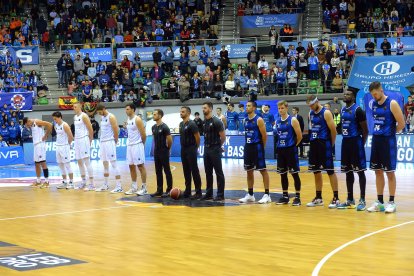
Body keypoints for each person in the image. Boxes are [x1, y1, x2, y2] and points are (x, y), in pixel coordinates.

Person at [367, 82, 405, 213]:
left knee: (389, 172)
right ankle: (380, 202)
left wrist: (391, 133)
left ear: (381, 90)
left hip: (388, 141)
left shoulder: (392, 103)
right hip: (376, 140)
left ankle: (392, 202)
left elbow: (401, 123)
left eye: (375, 94)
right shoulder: (373, 103)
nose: (374, 96)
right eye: (372, 95)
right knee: (377, 171)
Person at [336, 90, 368, 210]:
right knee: (348, 171)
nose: (345, 95)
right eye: (344, 94)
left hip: (356, 142)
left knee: (360, 172)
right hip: (346, 143)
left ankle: (363, 200)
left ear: (353, 97)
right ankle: (350, 199)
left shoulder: (358, 110)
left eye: (348, 94)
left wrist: (360, 143)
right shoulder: (343, 110)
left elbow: (365, 130)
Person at [306, 95, 340, 208]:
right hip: (314, 144)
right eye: (309, 105)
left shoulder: (326, 112)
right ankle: (318, 197)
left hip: (324, 144)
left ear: (317, 102)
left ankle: (336, 198)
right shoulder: (310, 113)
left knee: (330, 171)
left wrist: (331, 144)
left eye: (312, 105)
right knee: (316, 171)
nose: (310, 107)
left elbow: (333, 131)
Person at [239, 101, 271, 204]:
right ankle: (250, 195)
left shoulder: (259, 119)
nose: (246, 108)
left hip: (257, 147)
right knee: (249, 171)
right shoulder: (245, 120)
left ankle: (267, 195)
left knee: (263, 170)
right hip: (248, 147)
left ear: (254, 108)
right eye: (246, 106)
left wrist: (262, 147)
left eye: (248, 106)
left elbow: (264, 135)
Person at [274, 101, 303, 205]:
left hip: (290, 149)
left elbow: (299, 136)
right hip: (281, 150)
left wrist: (293, 146)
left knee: (294, 173)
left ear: (286, 108)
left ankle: (297, 197)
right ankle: (285, 196)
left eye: (282, 108)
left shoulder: (293, 120)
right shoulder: (277, 121)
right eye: (279, 108)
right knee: (283, 174)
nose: (280, 110)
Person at [202, 102, 226, 201]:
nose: (203, 110)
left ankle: (220, 194)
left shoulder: (217, 121)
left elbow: (223, 137)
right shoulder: (204, 121)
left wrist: (218, 146)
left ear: (210, 109)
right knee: (208, 172)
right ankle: (209, 193)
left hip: (215, 149)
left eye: (205, 108)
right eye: (203, 108)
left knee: (218, 172)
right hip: (206, 149)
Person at [95, 104, 122, 192]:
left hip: (110, 141)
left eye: (100, 112)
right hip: (103, 142)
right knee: (105, 164)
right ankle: (105, 184)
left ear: (103, 109)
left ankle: (119, 186)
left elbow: (116, 129)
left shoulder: (111, 117)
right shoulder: (102, 117)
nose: (99, 114)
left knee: (114, 164)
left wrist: (116, 140)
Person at [179, 106, 202, 199]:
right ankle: (187, 190)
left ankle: (198, 192)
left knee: (194, 170)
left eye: (183, 112)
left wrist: (195, 147)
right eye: (180, 112)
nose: (181, 113)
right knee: (186, 170)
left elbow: (198, 137)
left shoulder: (192, 124)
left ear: (188, 113)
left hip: (191, 148)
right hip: (183, 149)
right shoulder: (181, 124)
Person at [124, 103, 148, 196]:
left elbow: (143, 134)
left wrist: (142, 145)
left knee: (140, 166)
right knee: (131, 166)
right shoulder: (128, 120)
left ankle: (144, 187)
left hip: (137, 145)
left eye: (128, 109)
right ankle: (134, 187)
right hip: (130, 145)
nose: (126, 111)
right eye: (126, 109)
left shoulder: (137, 119)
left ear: (133, 110)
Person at [23, 117, 52, 188]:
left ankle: (47, 181)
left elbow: (49, 124)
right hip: (36, 145)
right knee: (36, 164)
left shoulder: (37, 122)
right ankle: (38, 181)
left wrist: (46, 135)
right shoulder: (32, 125)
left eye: (27, 125)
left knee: (43, 163)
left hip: (40, 144)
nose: (28, 127)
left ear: (28, 121)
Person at [150, 109, 173, 197]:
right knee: (158, 171)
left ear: (160, 116)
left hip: (164, 151)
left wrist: (167, 149)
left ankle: (169, 190)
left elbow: (169, 140)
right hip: (157, 151)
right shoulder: (153, 127)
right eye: (153, 114)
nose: (153, 116)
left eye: (155, 114)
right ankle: (159, 190)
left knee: (167, 171)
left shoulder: (165, 127)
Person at [72, 102, 94, 191]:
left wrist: (90, 140)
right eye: (73, 107)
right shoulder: (75, 117)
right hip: (77, 140)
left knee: (86, 161)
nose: (74, 108)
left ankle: (92, 184)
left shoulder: (84, 116)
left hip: (84, 139)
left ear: (80, 107)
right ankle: (83, 181)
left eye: (75, 107)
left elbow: (90, 129)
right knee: (79, 162)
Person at [52, 112, 75, 189]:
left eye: (55, 119)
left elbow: (71, 137)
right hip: (58, 147)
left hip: (64, 147)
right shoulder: (56, 126)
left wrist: (67, 145)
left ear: (60, 117)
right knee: (61, 165)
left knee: (67, 165)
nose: (55, 120)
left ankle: (71, 182)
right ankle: (64, 182)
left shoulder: (65, 125)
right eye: (54, 119)